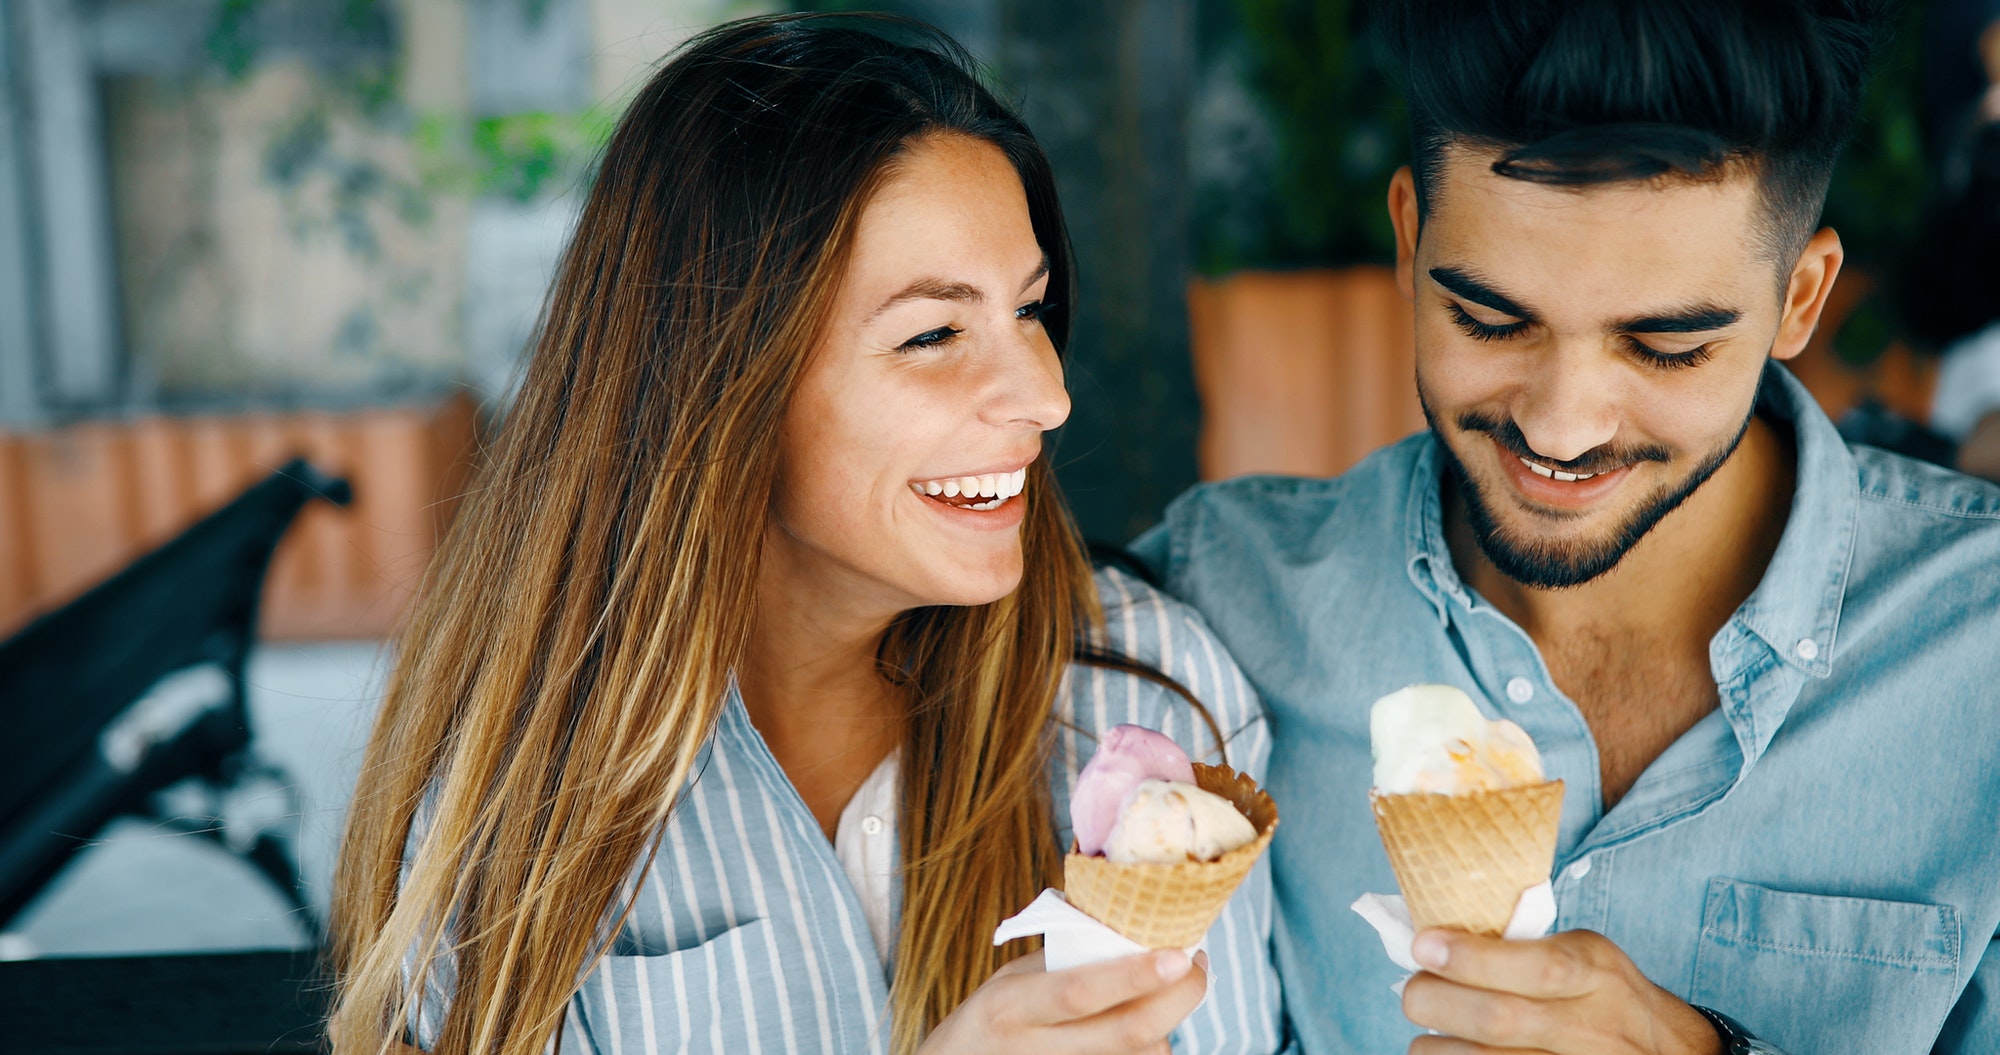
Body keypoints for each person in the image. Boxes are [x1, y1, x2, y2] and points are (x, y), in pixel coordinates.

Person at [326, 15, 1285, 1055]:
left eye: (1031, 311)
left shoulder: (1149, 697)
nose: (1045, 395)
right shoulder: (519, 790)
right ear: (721, 382)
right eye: (932, 334)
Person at [1132, 0, 2000, 1052]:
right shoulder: (1213, 599)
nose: (1560, 423)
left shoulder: (1979, 646)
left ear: (1798, 298)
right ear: (1409, 240)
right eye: (1489, 320)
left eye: (1665, 346)